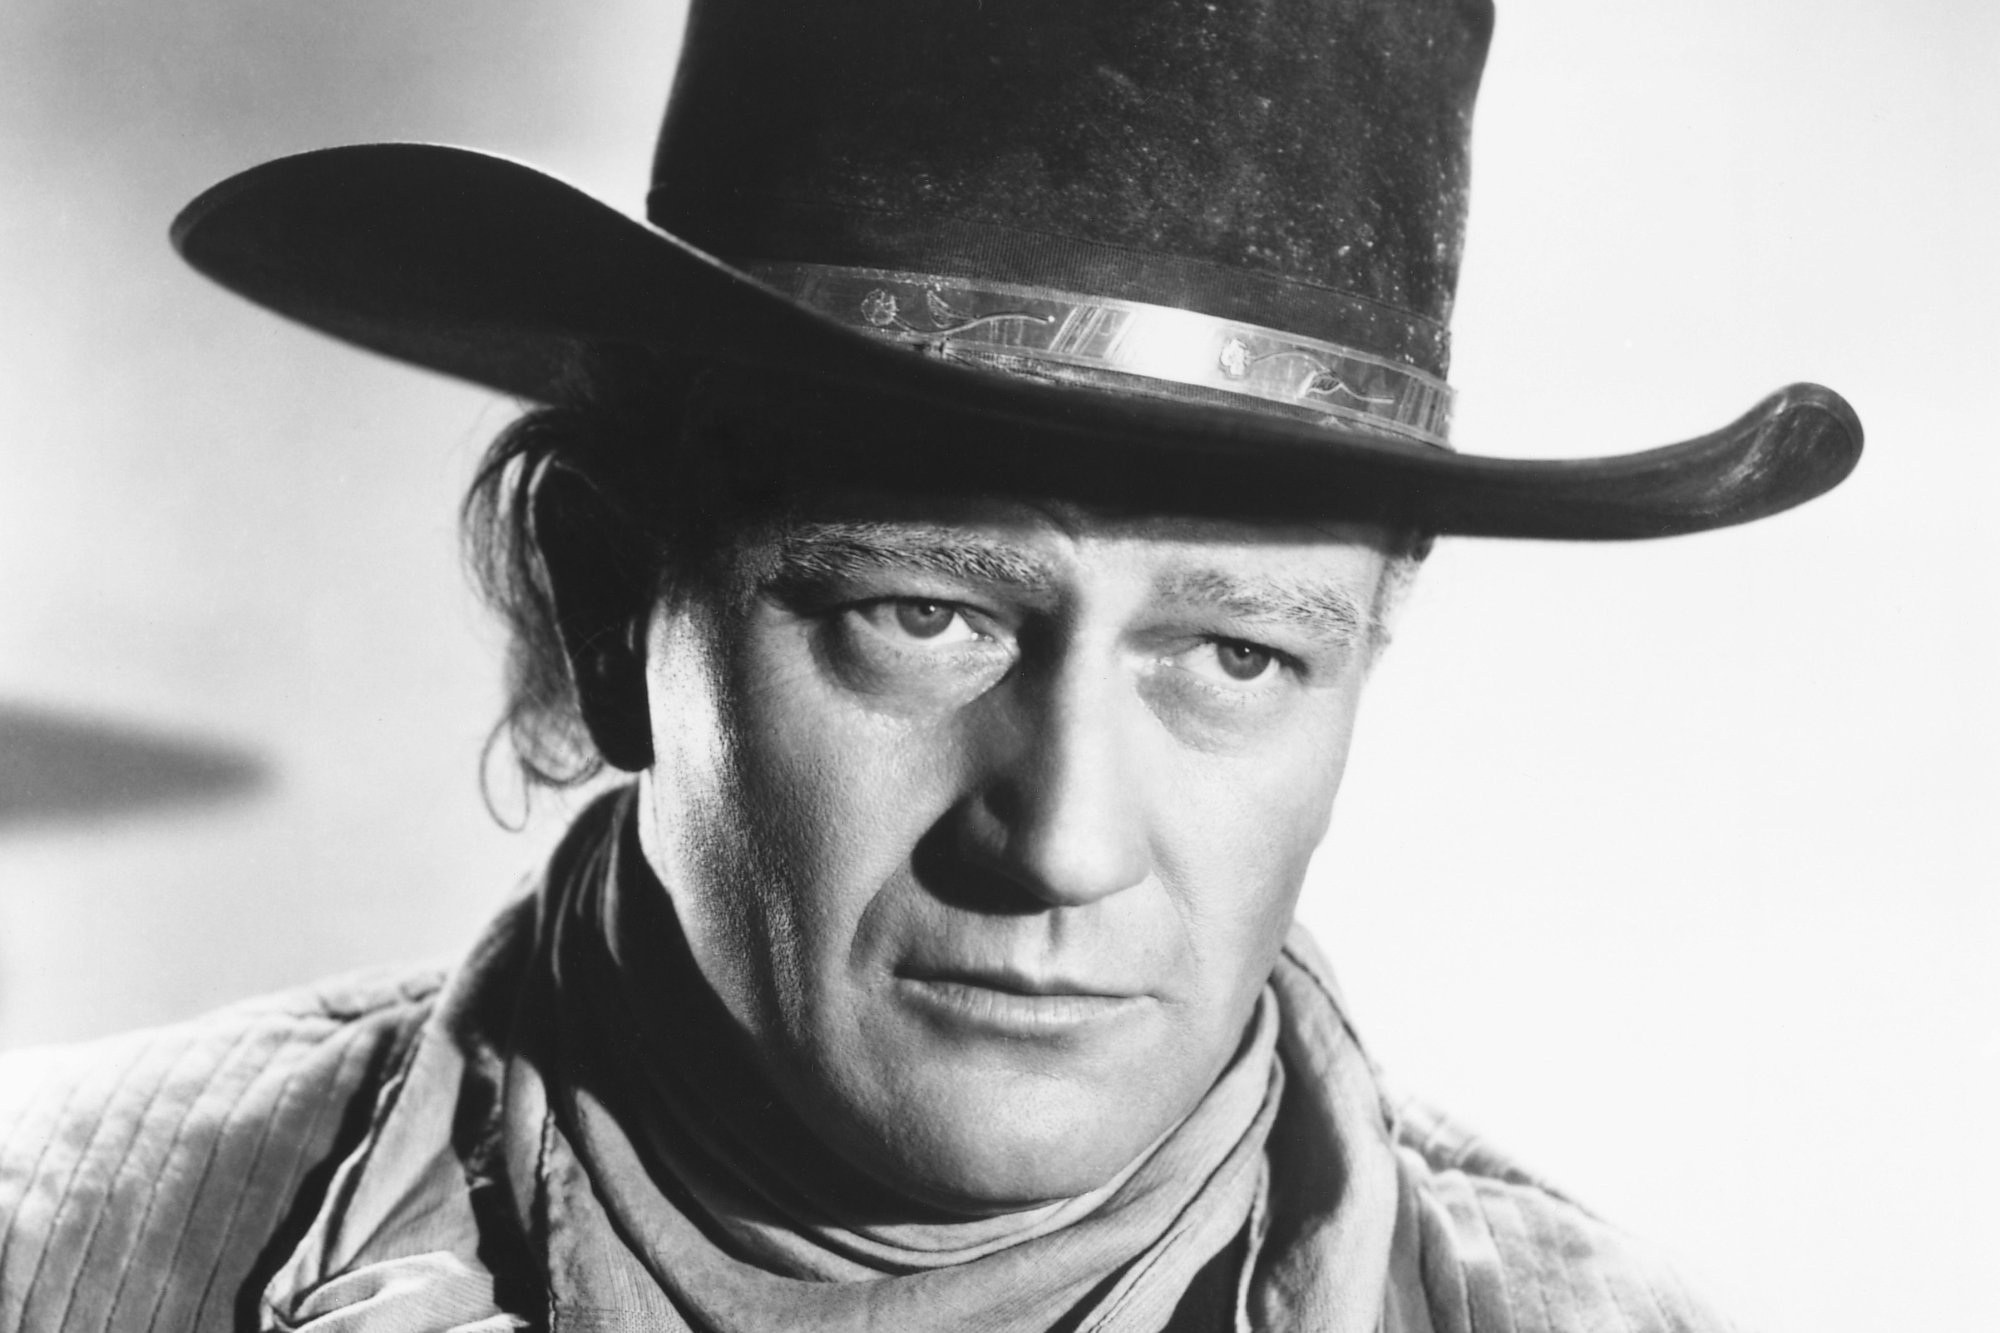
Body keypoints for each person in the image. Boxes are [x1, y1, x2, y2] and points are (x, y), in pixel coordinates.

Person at [0, 0, 1862, 1329]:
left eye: (1234, 653)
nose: (1061, 841)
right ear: (604, 605)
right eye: (926, 614)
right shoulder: (56, 1248)